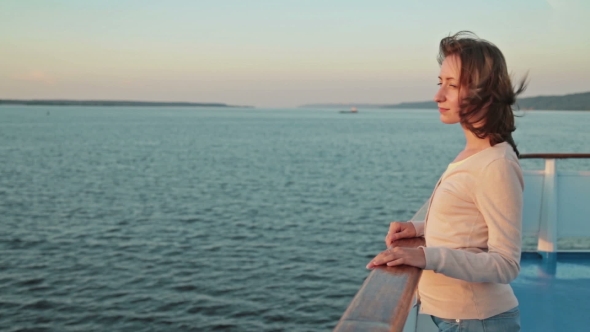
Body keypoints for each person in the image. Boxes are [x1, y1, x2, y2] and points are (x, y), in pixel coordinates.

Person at [366, 31, 527, 332]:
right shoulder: (474, 154)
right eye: (440, 83)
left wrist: (424, 256)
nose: (438, 96)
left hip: (476, 321)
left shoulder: (496, 164)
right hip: (458, 319)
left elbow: (506, 264)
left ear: (486, 93)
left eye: (452, 86)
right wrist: (419, 229)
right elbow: (470, 226)